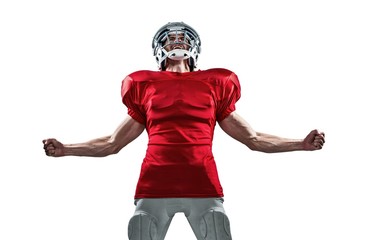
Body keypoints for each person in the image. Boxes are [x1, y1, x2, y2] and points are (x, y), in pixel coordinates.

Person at [43, 22, 325, 240]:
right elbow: (112, 143)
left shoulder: (215, 83)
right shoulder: (145, 86)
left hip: (203, 188)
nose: (177, 41)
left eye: (182, 37)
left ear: (194, 46)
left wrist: (300, 143)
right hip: (153, 188)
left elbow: (253, 138)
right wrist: (66, 149)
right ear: (159, 48)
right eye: (170, 38)